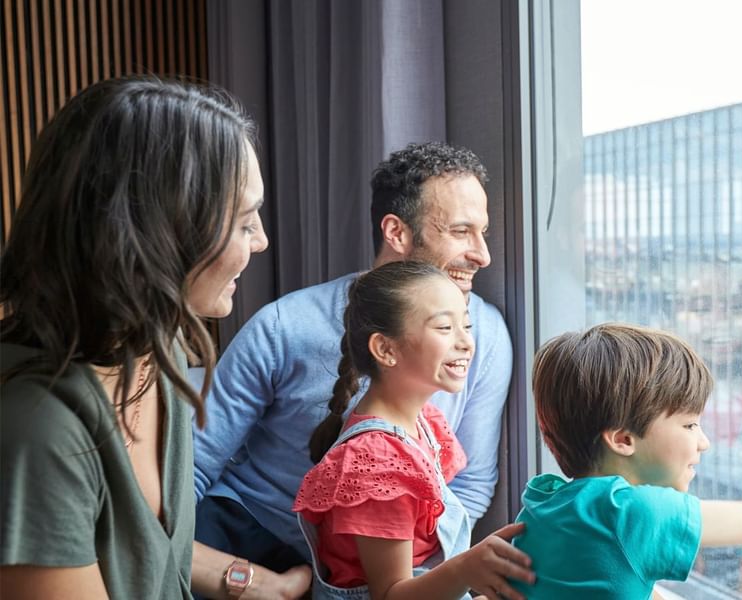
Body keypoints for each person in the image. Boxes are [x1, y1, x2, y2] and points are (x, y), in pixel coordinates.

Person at [0, 76, 288, 599]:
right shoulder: (38, 432)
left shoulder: (159, 349)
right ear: (162, 229)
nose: (263, 240)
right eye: (245, 221)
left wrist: (245, 582)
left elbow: (141, 554)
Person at [192, 142, 513, 595]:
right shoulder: (284, 327)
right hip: (253, 541)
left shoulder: (486, 335)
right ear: (396, 232)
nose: (482, 255)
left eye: (482, 232)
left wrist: (423, 571)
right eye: (461, 231)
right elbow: (190, 469)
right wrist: (241, 580)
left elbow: (472, 481)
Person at [293, 260, 534, 600]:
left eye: (466, 325)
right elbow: (392, 595)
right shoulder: (378, 461)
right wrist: (467, 569)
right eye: (445, 328)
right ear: (386, 349)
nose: (466, 342)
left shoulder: (425, 423)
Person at [510, 323, 742, 599]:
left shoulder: (544, 500)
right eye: (690, 425)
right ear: (623, 440)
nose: (705, 442)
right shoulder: (634, 513)